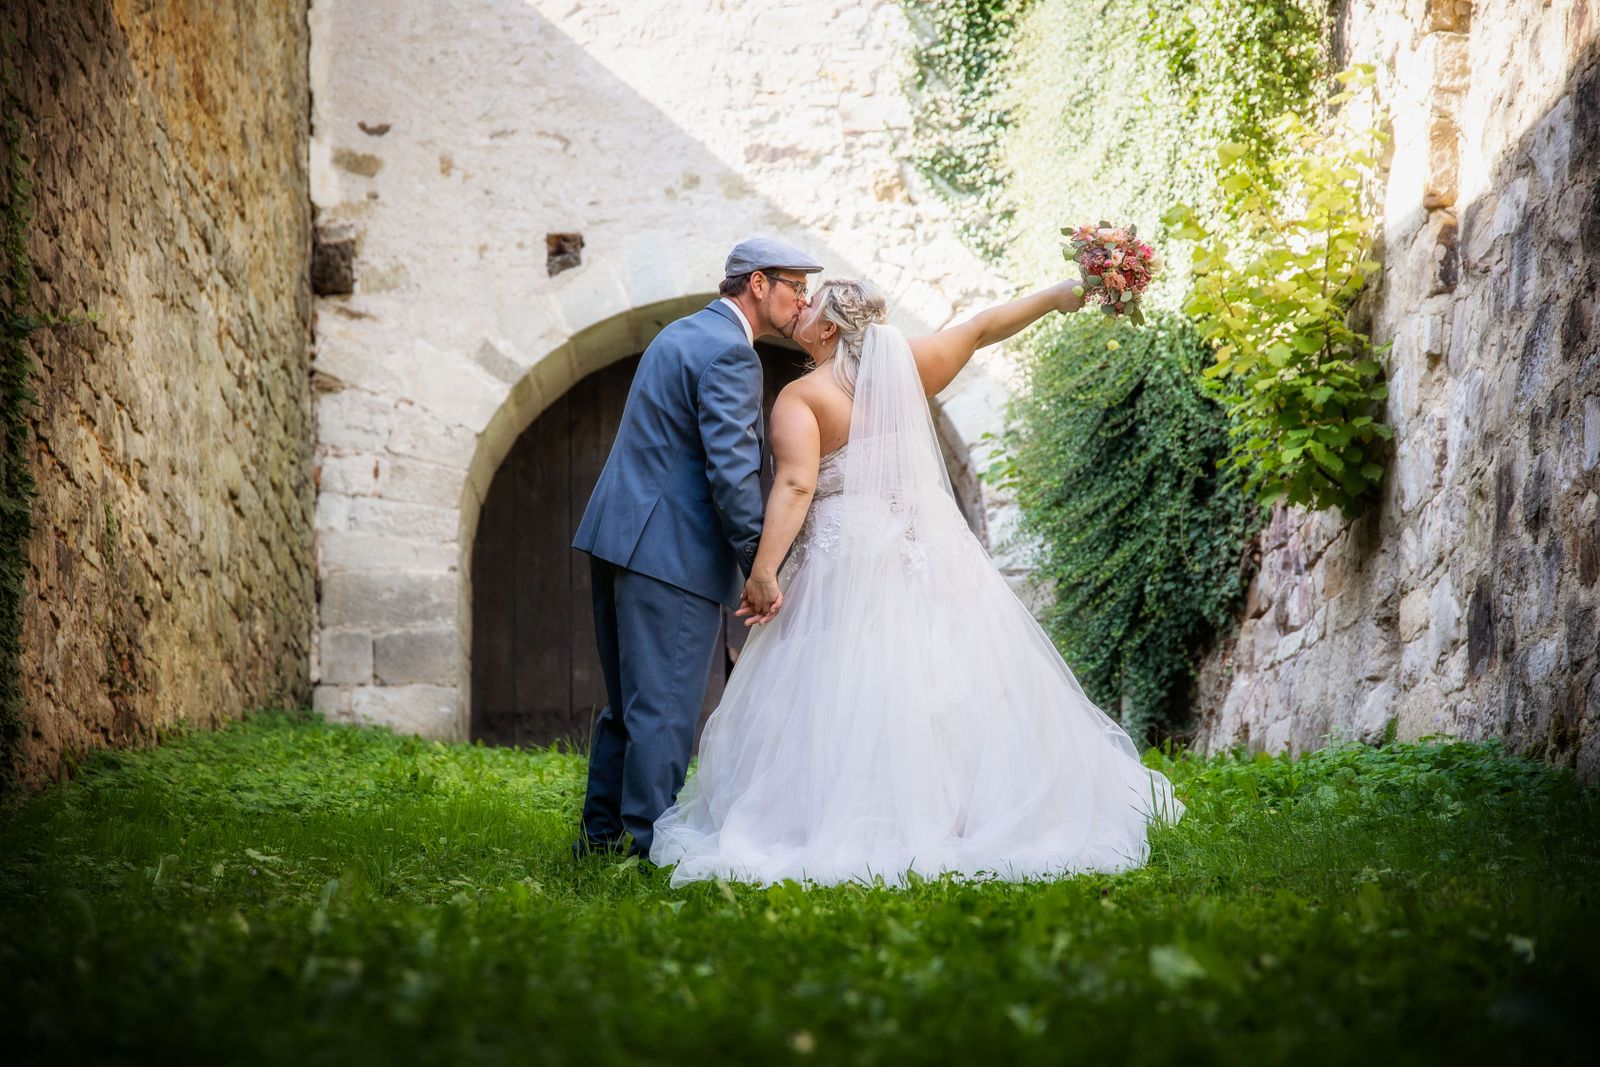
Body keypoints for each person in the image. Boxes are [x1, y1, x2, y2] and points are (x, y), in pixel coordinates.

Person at [649, 278, 1185, 886]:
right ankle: (963, 810)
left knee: (844, 683)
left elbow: (796, 486)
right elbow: (983, 326)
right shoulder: (907, 366)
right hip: (927, 549)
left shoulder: (803, 398)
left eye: (811, 302)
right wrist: (1061, 294)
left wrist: (765, 571)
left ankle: (844, 815)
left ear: (828, 329)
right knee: (948, 671)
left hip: (846, 559)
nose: (800, 303)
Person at [570, 236, 823, 859]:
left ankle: (600, 845)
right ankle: (644, 853)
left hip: (618, 538)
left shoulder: (681, 333)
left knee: (629, 707)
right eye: (796, 287)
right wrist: (759, 565)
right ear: (758, 284)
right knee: (662, 712)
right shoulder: (732, 353)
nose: (804, 300)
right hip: (671, 555)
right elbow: (732, 473)